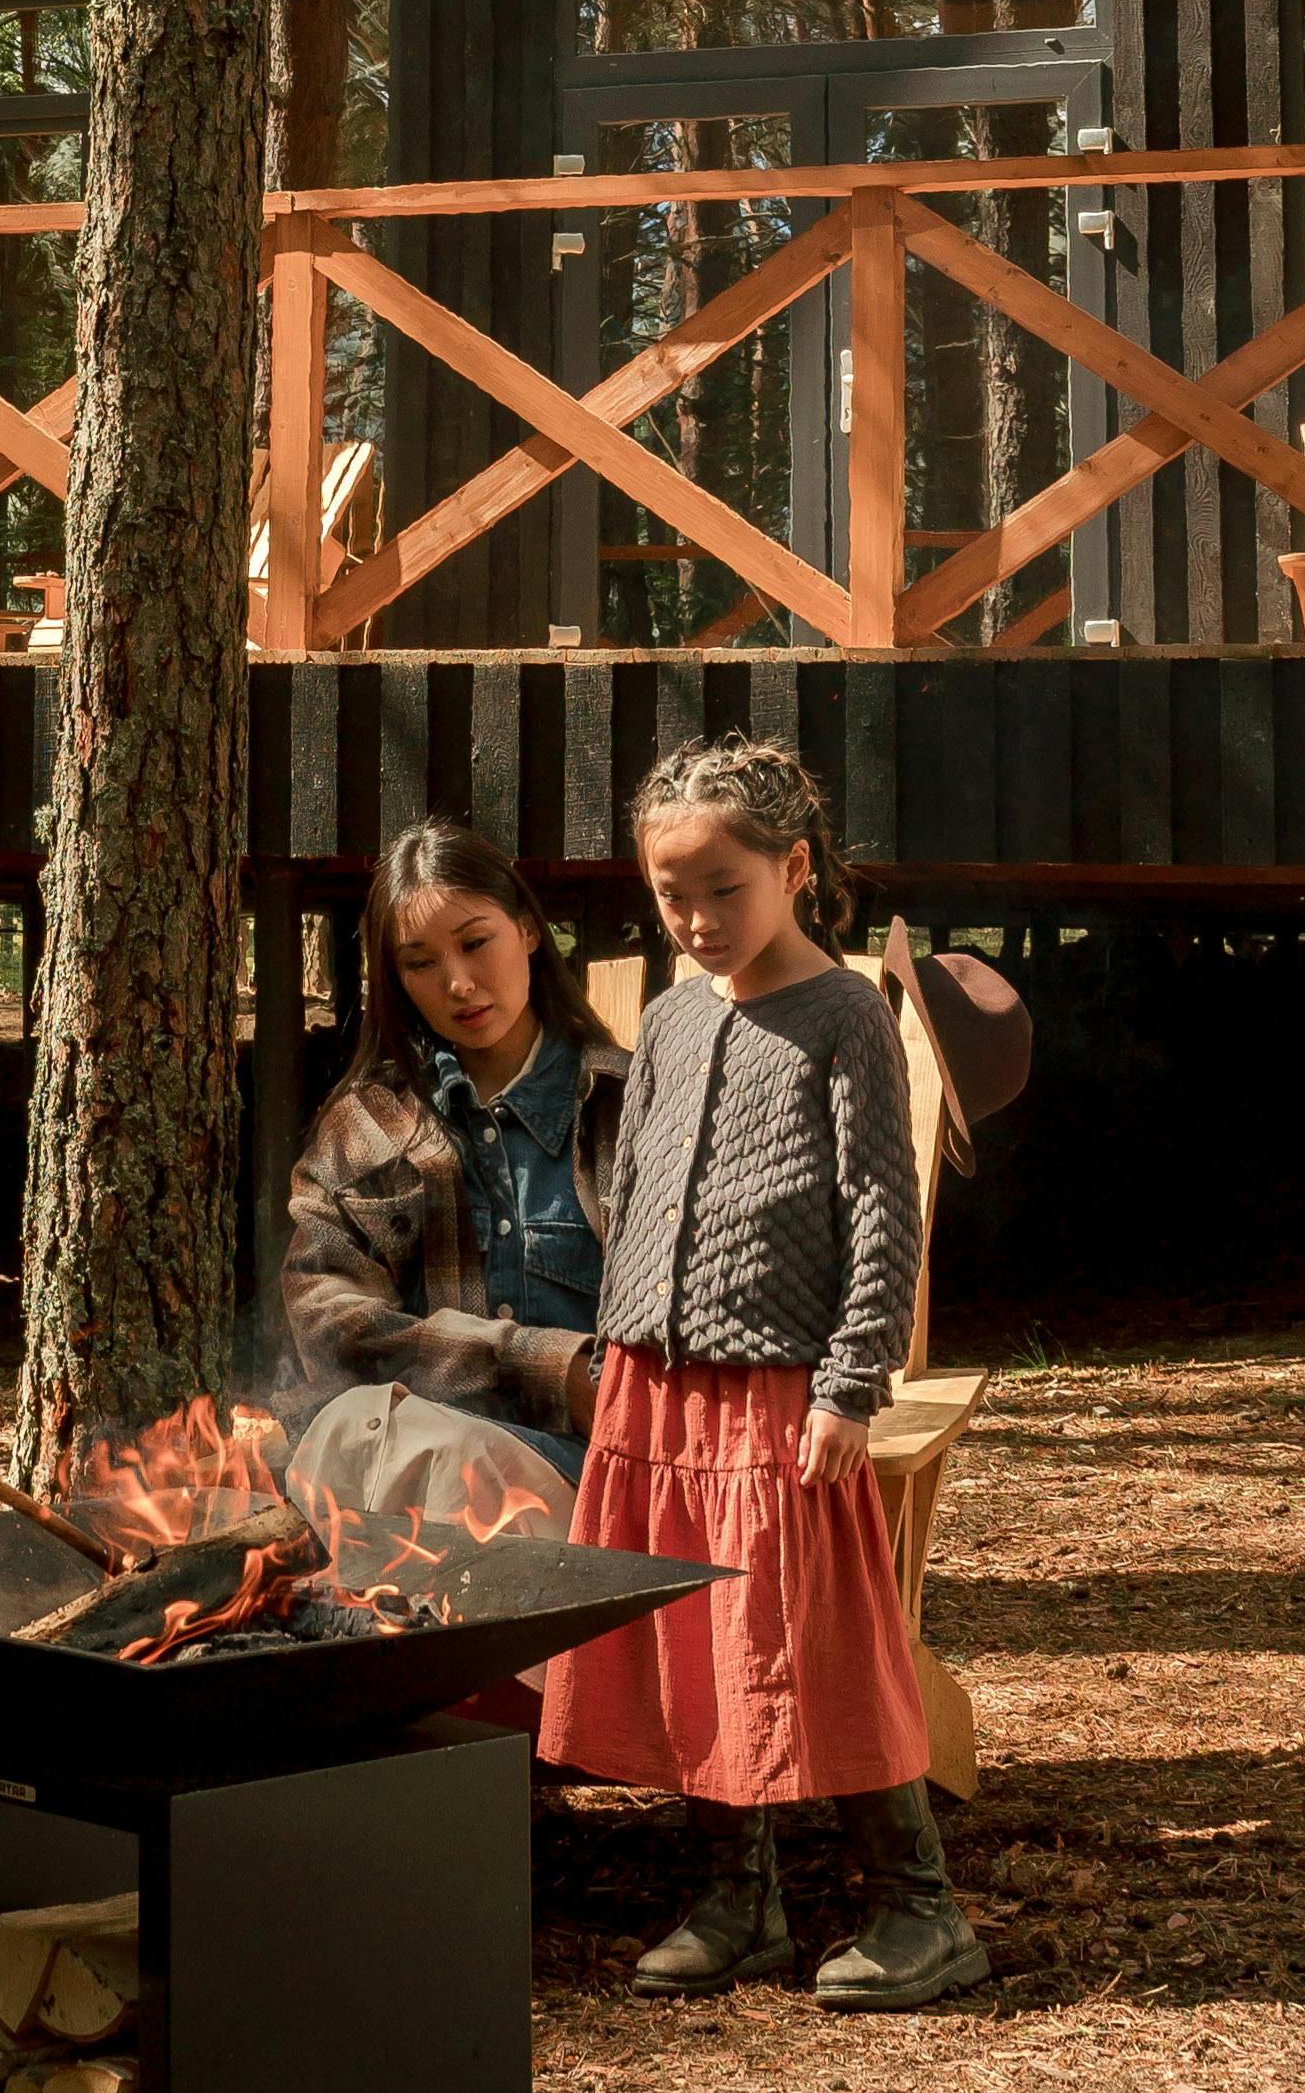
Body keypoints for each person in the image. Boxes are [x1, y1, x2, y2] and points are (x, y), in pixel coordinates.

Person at [538, 736, 989, 2017]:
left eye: (720, 888)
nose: (693, 919)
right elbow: (632, 1192)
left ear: (793, 868)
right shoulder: (674, 1016)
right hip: (655, 1384)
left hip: (780, 1389)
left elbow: (879, 1211)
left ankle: (919, 1908)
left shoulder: (843, 1012)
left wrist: (851, 1384)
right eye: (670, 895)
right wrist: (618, 1342)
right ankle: (741, 1901)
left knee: (821, 1638)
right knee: (692, 1634)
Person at [277, 820, 632, 1529]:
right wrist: (534, 1361)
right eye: (419, 963)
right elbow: (329, 1322)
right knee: (365, 1431)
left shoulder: (625, 1111)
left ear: (529, 929)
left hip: (591, 1474)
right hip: (414, 1465)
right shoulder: (367, 1125)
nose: (458, 983)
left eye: (475, 942)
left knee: (452, 1461)